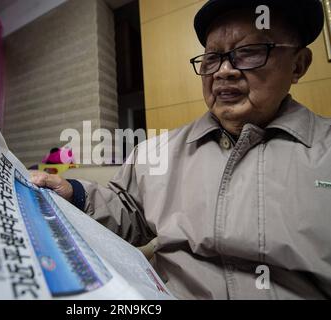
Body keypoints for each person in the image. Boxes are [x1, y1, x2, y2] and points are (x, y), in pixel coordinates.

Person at [30, 0, 331, 299]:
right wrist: (74, 193)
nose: (224, 71)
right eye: (212, 58)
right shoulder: (157, 151)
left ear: (298, 64)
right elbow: (129, 211)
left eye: (249, 52)